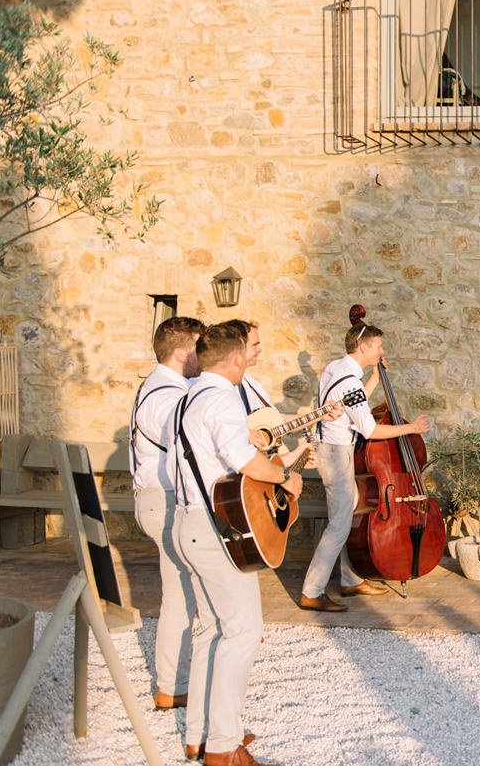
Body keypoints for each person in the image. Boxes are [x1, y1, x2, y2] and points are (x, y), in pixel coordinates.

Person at [172, 320, 309, 766]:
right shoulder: (222, 399)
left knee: (211, 628)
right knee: (243, 631)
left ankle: (200, 734)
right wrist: (287, 478)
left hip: (188, 520)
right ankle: (223, 746)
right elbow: (245, 461)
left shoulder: (188, 396)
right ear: (235, 360)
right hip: (215, 530)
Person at [298, 318, 430, 612]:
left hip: (334, 447)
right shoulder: (348, 380)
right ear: (363, 346)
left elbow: (354, 400)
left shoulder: (338, 368)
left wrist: (374, 375)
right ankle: (312, 590)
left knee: (351, 511)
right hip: (336, 452)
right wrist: (410, 429)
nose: (382, 349)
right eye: (379, 345)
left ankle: (350, 578)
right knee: (340, 523)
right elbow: (369, 430)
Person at [129, 316, 204, 712]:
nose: (204, 354)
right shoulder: (164, 396)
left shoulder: (167, 387)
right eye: (199, 347)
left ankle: (183, 678)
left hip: (164, 497)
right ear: (180, 352)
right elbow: (193, 439)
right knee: (179, 594)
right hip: (166, 500)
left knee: (187, 590)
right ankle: (172, 686)